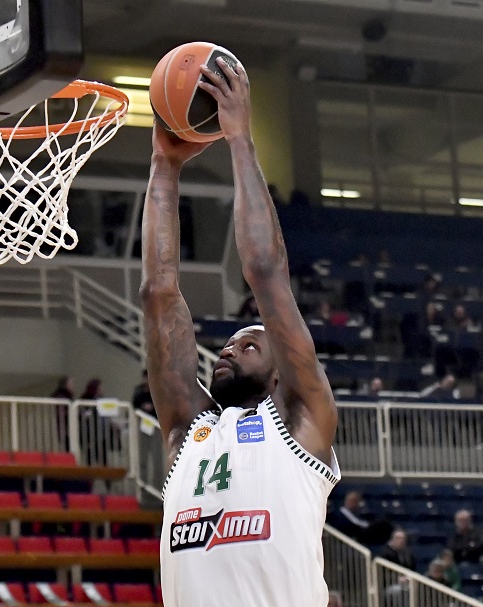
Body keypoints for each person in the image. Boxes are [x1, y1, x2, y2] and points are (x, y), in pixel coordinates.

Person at [141, 56, 339, 607]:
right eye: (228, 345)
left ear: (281, 373)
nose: (229, 349)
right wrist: (164, 165)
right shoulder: (188, 431)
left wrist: (239, 139)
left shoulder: (301, 420)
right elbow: (158, 294)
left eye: (250, 344)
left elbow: (265, 270)